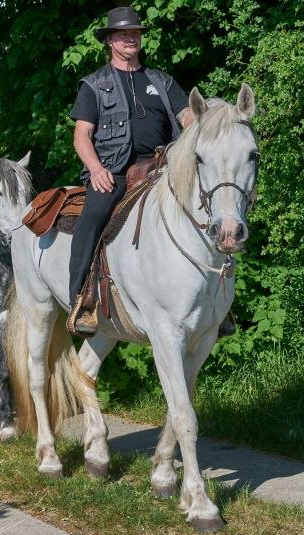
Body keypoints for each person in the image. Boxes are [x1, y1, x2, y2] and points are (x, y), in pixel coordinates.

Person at [67, 6, 192, 336]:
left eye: (135, 33)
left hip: (163, 166)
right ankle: (80, 299)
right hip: (114, 170)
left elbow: (188, 119)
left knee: (204, 209)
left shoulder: (162, 81)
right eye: (123, 34)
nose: (130, 38)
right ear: (110, 40)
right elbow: (81, 134)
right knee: (93, 217)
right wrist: (95, 169)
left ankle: (216, 305)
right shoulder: (94, 85)